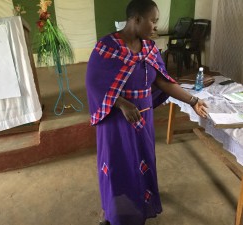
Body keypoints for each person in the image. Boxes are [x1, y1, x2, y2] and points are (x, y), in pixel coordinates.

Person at [85, 0, 208, 224]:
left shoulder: (150, 49)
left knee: (141, 164)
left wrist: (193, 100)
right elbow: (94, 83)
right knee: (116, 167)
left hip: (143, 121)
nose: (155, 27)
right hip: (116, 122)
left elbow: (163, 81)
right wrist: (122, 103)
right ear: (137, 19)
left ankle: (138, 211)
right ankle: (114, 215)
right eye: (153, 21)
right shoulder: (107, 47)